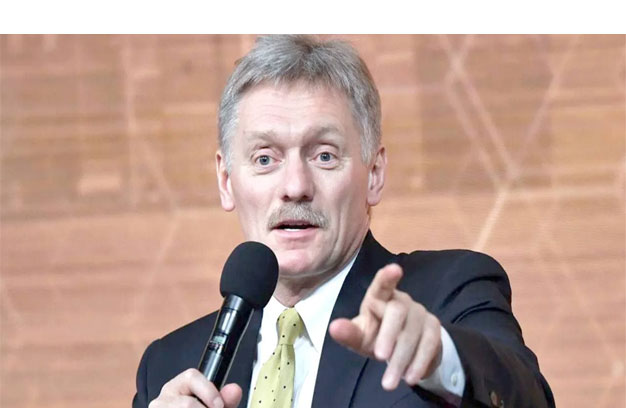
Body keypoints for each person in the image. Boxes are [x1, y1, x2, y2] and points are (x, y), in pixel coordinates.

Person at [133, 35, 555, 408]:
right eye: (264, 159)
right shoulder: (169, 365)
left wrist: (440, 359)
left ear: (374, 175)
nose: (295, 186)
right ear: (226, 181)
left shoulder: (450, 294)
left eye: (324, 156)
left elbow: (528, 398)